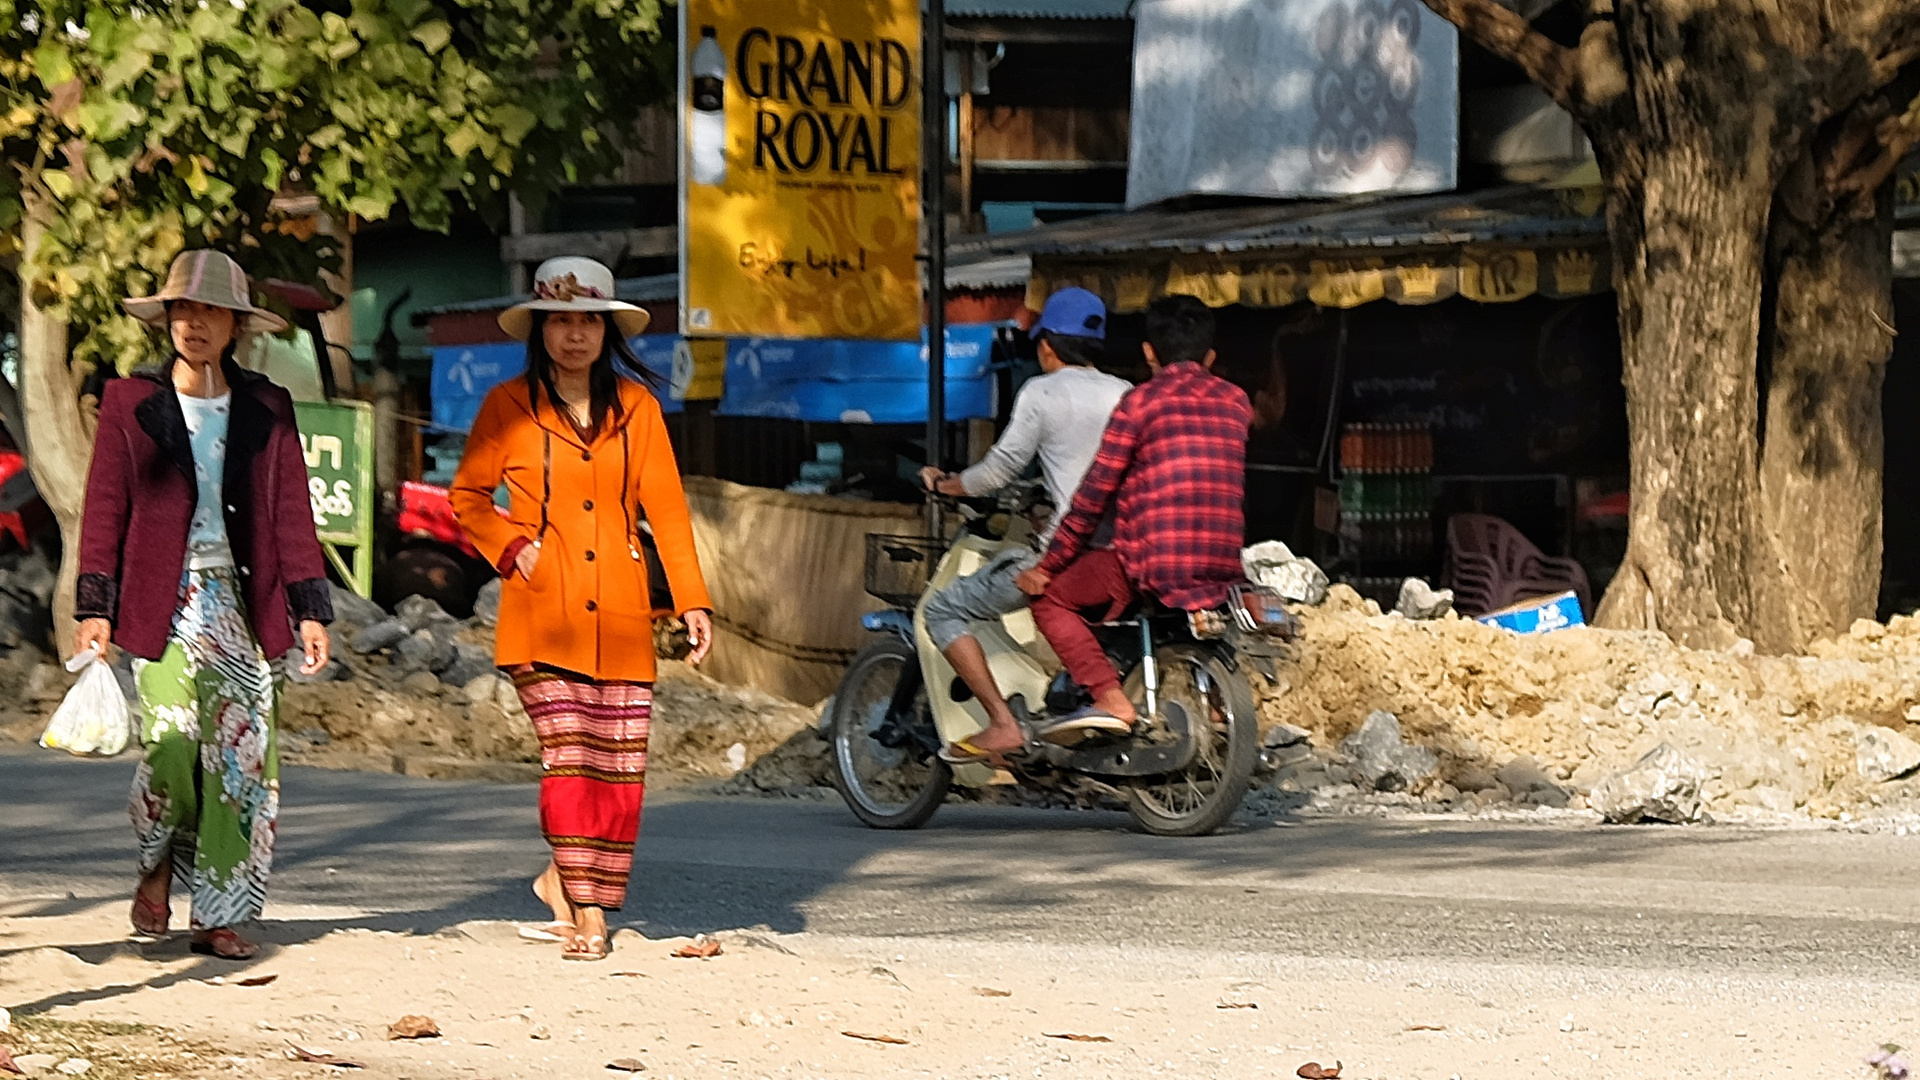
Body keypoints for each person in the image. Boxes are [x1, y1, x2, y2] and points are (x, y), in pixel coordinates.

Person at [451, 256, 714, 962]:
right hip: (541, 612)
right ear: (540, 330)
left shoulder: (639, 410)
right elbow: (467, 497)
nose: (573, 336)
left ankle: (562, 879)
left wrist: (691, 599)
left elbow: (668, 511)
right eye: (560, 322)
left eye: (586, 322)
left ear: (606, 331)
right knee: (571, 756)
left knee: (618, 770)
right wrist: (512, 548)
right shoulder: (508, 406)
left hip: (624, 617)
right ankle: (592, 915)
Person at [76, 249, 335, 960]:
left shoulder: (267, 408)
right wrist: (95, 604)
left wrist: (310, 607)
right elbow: (104, 507)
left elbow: (291, 513)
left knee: (238, 760)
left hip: (243, 607)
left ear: (235, 326)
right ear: (166, 319)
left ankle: (216, 915)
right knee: (172, 746)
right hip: (163, 604)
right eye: (183, 310)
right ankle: (158, 861)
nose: (194, 323)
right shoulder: (130, 403)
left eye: (211, 311)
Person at [916, 288, 1131, 763]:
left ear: (1048, 346)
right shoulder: (1126, 393)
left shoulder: (1042, 392)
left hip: (1067, 551)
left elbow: (997, 471)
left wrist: (948, 485)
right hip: (1123, 551)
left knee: (944, 611)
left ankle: (1001, 722)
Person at [1017, 294, 1253, 726]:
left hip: (1153, 565)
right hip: (1222, 566)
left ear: (1148, 352)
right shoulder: (1236, 402)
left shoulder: (1140, 403)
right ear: (1211, 355)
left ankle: (1108, 696)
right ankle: (1217, 707)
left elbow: (1093, 496)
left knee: (1049, 599)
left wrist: (1049, 565)